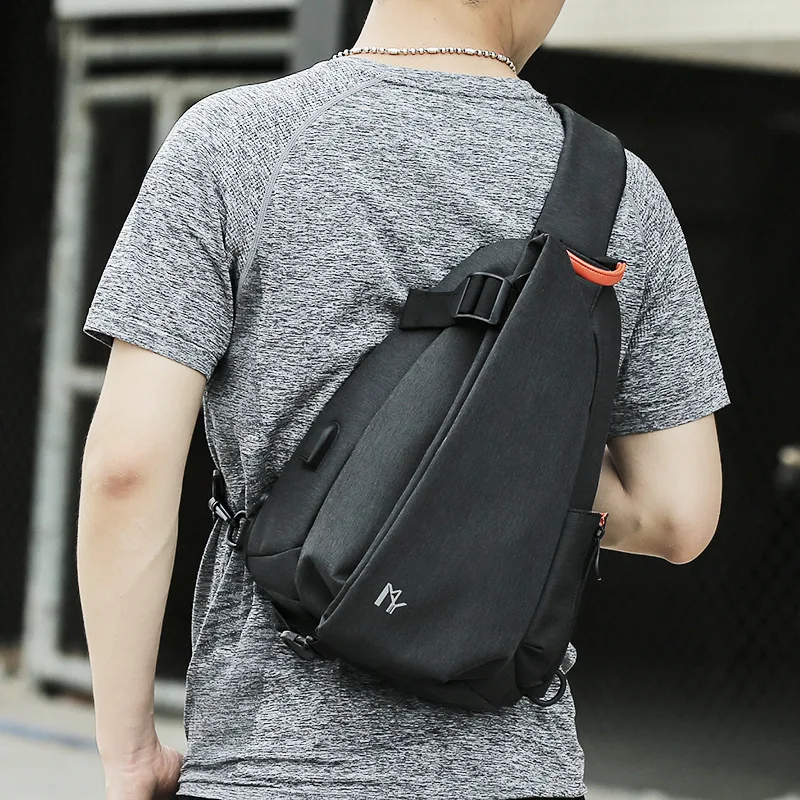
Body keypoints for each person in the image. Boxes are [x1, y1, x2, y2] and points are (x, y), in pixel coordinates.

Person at [76, 0, 730, 798]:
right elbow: (677, 514)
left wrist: (130, 752)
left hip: (271, 765)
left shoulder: (234, 141)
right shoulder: (620, 192)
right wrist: (507, 450)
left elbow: (128, 470)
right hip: (511, 772)